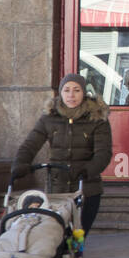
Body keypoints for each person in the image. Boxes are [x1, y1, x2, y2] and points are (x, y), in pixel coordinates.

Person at [12, 74, 112, 235]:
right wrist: (20, 164)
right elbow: (30, 145)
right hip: (56, 188)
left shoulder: (97, 118)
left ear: (84, 93)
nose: (71, 95)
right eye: (67, 90)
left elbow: (103, 153)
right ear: (60, 92)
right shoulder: (49, 117)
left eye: (76, 90)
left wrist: (87, 170)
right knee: (55, 235)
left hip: (86, 187)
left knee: (77, 237)